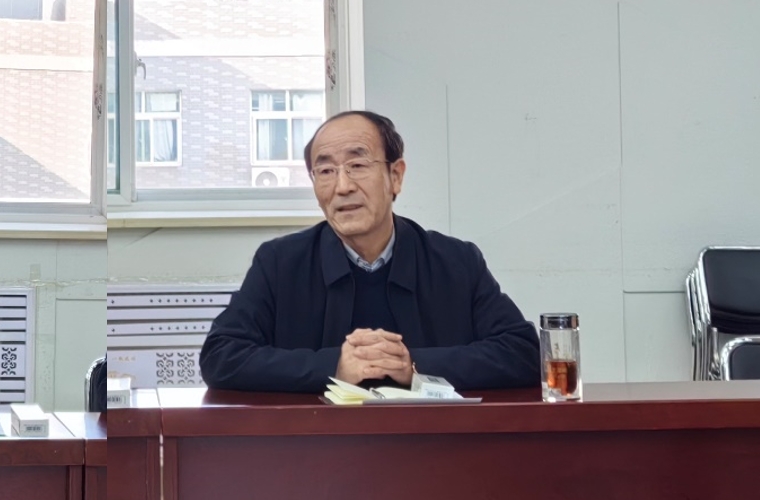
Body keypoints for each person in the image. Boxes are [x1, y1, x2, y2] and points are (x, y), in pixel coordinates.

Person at [199, 110, 539, 393]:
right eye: (326, 171)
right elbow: (221, 356)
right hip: (318, 446)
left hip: (431, 443)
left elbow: (523, 352)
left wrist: (413, 365)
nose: (342, 186)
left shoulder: (455, 261)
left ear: (396, 176)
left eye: (358, 165)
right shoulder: (280, 263)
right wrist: (335, 366)